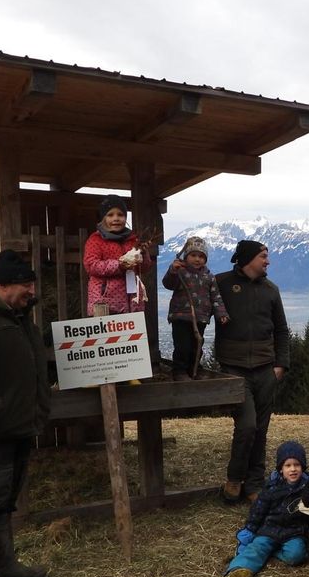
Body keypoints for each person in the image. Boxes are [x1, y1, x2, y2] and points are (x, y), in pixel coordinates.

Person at [0, 251, 50, 577]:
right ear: (1, 285)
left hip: (20, 426)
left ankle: (6, 566)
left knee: (4, 502)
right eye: (25, 283)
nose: (31, 289)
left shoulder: (21, 318)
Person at [215, 240, 290, 504]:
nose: (267, 262)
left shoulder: (271, 290)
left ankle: (254, 484)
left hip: (266, 368)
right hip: (234, 368)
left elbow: (281, 329)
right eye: (263, 257)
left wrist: (280, 365)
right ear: (248, 259)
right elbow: (193, 298)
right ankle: (235, 478)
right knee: (246, 426)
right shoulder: (221, 283)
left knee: (260, 429)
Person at [217, 441, 309, 577]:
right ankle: (236, 571)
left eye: (297, 465)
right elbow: (257, 512)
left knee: (296, 555)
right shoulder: (271, 488)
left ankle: (272, 552)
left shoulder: (308, 489)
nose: (293, 469)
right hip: (269, 529)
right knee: (257, 548)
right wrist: (250, 530)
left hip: (294, 532)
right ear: (281, 469)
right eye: (288, 465)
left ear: (302, 467)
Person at [161, 236, 229, 380]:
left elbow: (216, 297)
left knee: (197, 345)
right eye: (193, 255)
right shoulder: (180, 271)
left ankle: (194, 369)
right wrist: (173, 270)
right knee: (182, 346)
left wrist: (221, 313)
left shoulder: (209, 277)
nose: (197, 259)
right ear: (186, 256)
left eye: (201, 256)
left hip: (201, 317)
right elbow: (168, 284)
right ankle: (179, 371)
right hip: (181, 316)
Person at [83, 194, 152, 316]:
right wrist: (119, 265)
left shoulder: (133, 240)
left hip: (133, 303)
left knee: (132, 335)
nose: (116, 218)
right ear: (103, 218)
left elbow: (144, 268)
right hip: (105, 304)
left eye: (120, 215)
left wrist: (143, 254)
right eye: (110, 215)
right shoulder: (96, 240)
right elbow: (91, 265)